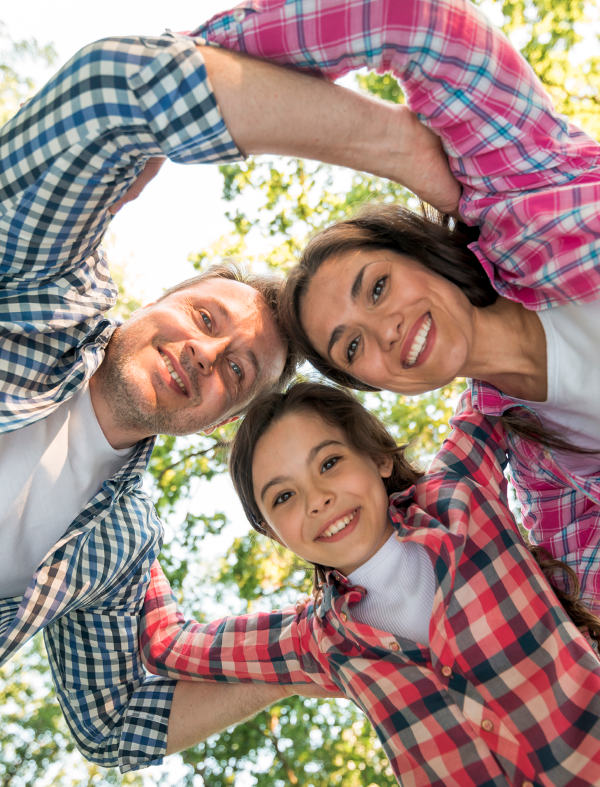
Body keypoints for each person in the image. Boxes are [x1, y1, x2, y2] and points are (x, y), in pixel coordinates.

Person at [0, 26, 442, 770]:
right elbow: (115, 87)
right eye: (205, 319)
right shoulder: (39, 297)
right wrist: (405, 153)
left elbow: (117, 723)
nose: (205, 355)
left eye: (237, 372)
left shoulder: (121, 545)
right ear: (152, 302)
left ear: (224, 418)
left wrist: (320, 651)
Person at [195, 0, 600, 612]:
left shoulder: (534, 210)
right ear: (373, 383)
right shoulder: (546, 473)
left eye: (377, 287)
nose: (385, 332)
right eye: (352, 347)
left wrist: (178, 85)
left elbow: (413, 21)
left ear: (420, 251)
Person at [141, 382, 600, 787]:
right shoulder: (319, 641)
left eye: (329, 463)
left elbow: (492, 382)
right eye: (283, 497)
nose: (317, 498)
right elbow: (169, 645)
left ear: (378, 457)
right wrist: (125, 498)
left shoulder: (458, 496)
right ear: (274, 533)